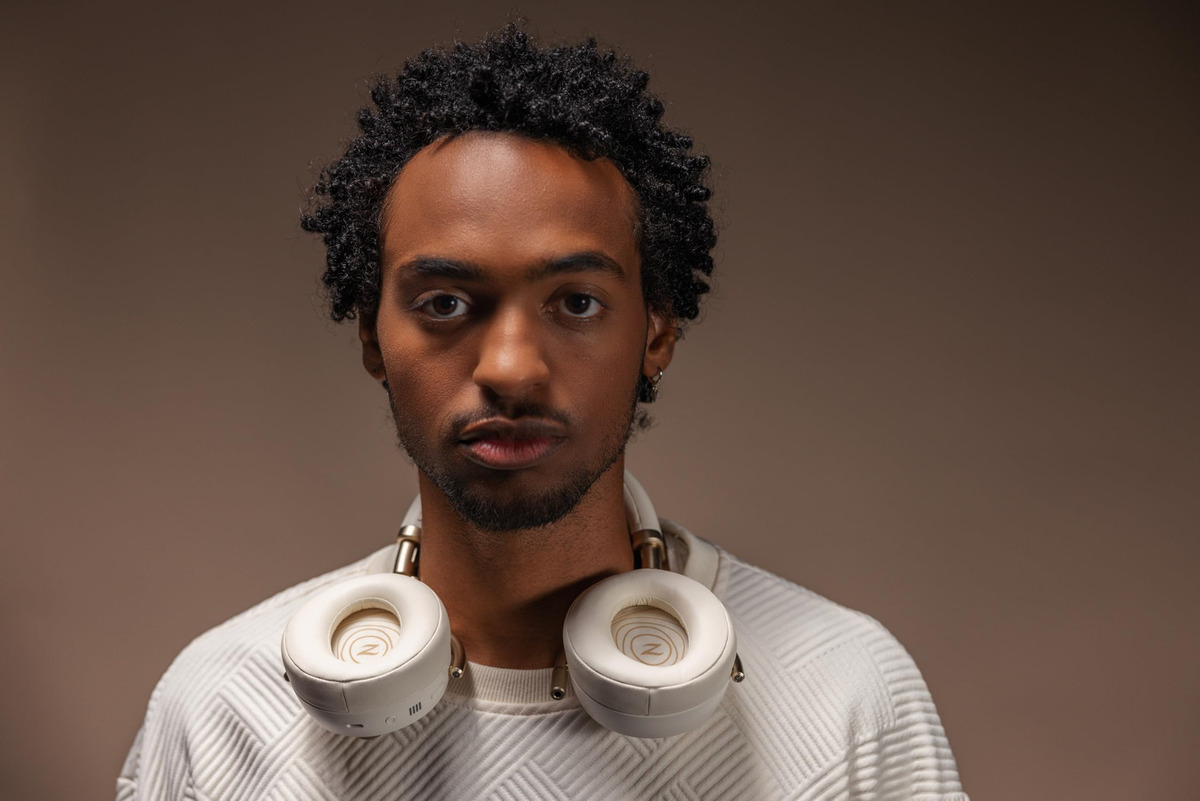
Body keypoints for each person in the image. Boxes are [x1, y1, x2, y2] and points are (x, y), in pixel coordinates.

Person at [118, 24, 968, 800]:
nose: (510, 368)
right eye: (446, 303)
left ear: (657, 331)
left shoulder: (844, 694)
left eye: (576, 302)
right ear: (372, 336)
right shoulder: (224, 707)